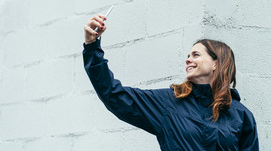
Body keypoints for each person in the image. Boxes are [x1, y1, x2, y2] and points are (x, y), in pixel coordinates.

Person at [83, 14, 259, 151]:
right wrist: (92, 47)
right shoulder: (169, 103)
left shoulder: (241, 115)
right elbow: (114, 95)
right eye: (188, 55)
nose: (188, 60)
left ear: (216, 63)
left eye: (196, 55)